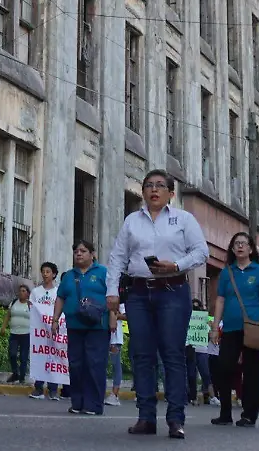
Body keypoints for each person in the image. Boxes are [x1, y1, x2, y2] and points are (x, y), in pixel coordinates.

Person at [106, 170, 206, 439]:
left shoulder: (184, 219)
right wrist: (112, 291)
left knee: (172, 354)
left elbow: (201, 252)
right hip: (138, 294)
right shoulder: (132, 221)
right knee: (142, 355)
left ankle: (175, 419)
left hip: (172, 291)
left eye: (160, 185)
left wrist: (176, 265)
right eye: (149, 185)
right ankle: (146, 417)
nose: (154, 189)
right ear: (143, 192)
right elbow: (117, 258)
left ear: (171, 193)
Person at [211, 231, 259, 429]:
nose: (239, 246)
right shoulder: (226, 273)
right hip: (230, 328)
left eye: (243, 243)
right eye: (236, 243)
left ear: (251, 249)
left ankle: (249, 415)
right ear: (232, 248)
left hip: (253, 328)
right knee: (224, 368)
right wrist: (215, 328)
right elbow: (220, 300)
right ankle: (225, 414)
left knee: (252, 372)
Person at [53, 240, 109, 416]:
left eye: (83, 251)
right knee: (76, 364)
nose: (78, 254)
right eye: (76, 251)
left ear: (92, 254)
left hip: (97, 327)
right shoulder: (69, 275)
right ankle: (77, 402)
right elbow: (60, 297)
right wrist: (55, 320)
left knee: (94, 364)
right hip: (74, 325)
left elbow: (112, 297)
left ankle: (94, 404)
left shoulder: (103, 272)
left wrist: (114, 318)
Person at [29, 262, 62, 400]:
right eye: (43, 271)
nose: (45, 274)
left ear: (54, 274)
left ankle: (53, 389)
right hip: (40, 331)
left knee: (54, 358)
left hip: (53, 331)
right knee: (40, 357)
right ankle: (38, 388)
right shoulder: (36, 292)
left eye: (48, 272)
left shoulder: (58, 292)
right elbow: (31, 308)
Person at [3, 285, 32, 385]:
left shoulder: (30, 305)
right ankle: (15, 373)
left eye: (24, 291)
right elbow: (8, 315)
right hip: (14, 333)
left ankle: (22, 377)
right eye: (20, 291)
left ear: (28, 293)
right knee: (12, 354)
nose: (21, 293)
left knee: (23, 357)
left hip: (26, 334)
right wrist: (3, 327)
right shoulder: (14, 302)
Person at [105, 301, 126, 406]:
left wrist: (115, 315)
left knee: (115, 365)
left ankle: (115, 394)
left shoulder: (117, 300)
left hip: (115, 338)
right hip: (102, 335)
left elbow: (126, 316)